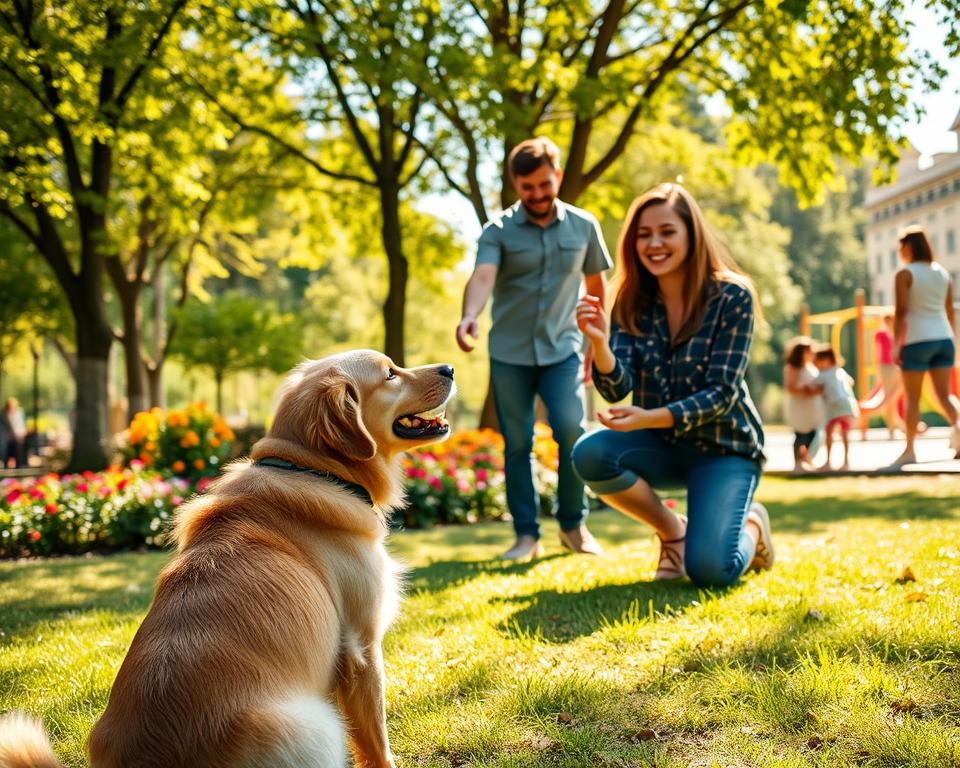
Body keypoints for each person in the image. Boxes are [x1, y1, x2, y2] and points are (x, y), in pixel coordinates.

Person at [571, 182, 772, 588]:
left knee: (712, 570)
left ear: (690, 234)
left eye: (667, 232)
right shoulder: (631, 300)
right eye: (644, 234)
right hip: (663, 446)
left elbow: (722, 393)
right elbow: (616, 387)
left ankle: (753, 526)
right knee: (590, 454)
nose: (654, 243)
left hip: (724, 447)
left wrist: (650, 416)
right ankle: (672, 531)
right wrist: (599, 343)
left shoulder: (733, 297)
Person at [456, 137, 613, 561]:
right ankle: (526, 535)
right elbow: (483, 277)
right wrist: (469, 315)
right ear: (516, 185)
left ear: (557, 176)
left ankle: (573, 526)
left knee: (571, 429)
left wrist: (597, 342)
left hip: (563, 349)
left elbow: (598, 286)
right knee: (518, 443)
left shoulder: (584, 226)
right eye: (529, 188)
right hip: (510, 354)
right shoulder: (498, 232)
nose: (539, 195)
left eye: (546, 184)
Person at [890, 225, 960, 467]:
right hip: (944, 339)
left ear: (908, 247)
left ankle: (909, 451)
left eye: (901, 247)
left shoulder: (905, 274)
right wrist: (954, 340)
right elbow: (950, 311)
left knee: (913, 399)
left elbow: (901, 312)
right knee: (945, 396)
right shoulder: (942, 273)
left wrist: (896, 345)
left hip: (917, 340)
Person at [812, 345, 859, 471]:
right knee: (844, 433)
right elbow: (851, 381)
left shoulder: (822, 375)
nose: (816, 365)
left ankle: (828, 461)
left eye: (817, 362)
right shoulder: (840, 371)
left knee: (829, 432)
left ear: (826, 360)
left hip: (834, 406)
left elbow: (814, 388)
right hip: (848, 404)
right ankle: (846, 461)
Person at [782, 336, 824, 472]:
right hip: (799, 407)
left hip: (812, 407)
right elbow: (790, 387)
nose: (812, 355)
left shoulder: (811, 367)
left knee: (813, 433)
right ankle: (798, 463)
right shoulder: (791, 368)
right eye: (809, 351)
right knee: (800, 434)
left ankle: (806, 459)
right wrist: (806, 391)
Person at [872, 314, 906, 438]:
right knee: (889, 398)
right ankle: (892, 428)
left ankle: (900, 424)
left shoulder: (899, 334)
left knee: (894, 397)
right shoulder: (881, 334)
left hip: (898, 366)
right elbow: (877, 352)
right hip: (886, 367)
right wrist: (877, 371)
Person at [3, 398, 26, 469]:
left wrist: (20, 435)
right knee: (7, 454)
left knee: (18, 453)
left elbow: (20, 426)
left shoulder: (18, 413)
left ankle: (19, 466)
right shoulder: (4, 415)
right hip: (8, 439)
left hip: (17, 437)